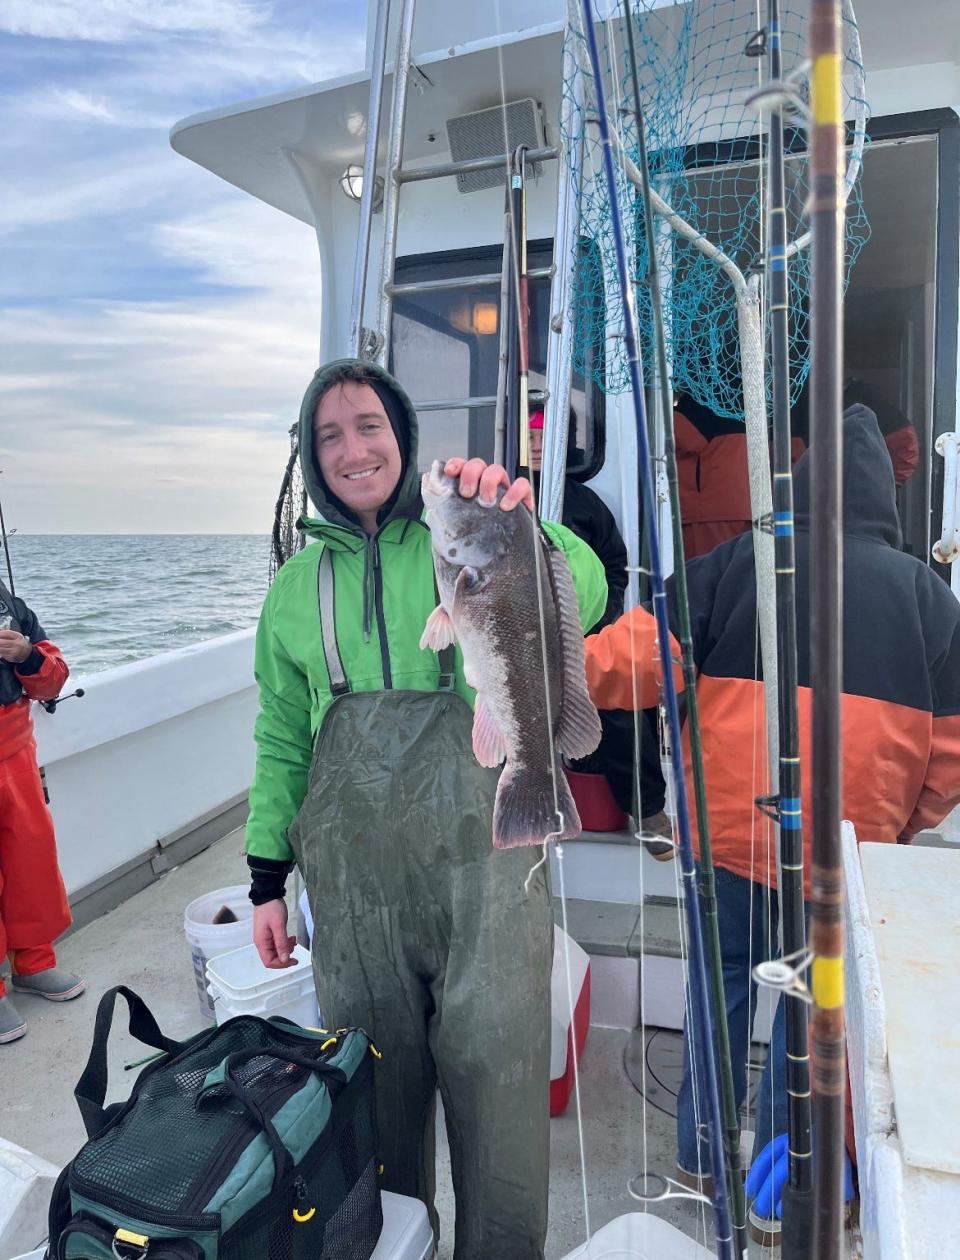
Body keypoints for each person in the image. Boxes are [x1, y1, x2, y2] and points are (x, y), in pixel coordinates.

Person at [245, 359, 606, 1259]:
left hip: (485, 868)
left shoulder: (465, 532)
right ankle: (389, 1243)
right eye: (328, 435)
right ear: (311, 457)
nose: (353, 449)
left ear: (401, 435)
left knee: (497, 1085)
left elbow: (588, 592)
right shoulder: (293, 591)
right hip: (354, 892)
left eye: (369, 425)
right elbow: (282, 739)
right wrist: (265, 881)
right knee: (372, 1095)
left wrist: (526, 527)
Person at [580, 406, 960, 1197]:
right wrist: (895, 830)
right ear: (882, 503)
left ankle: (701, 1162)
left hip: (725, 848)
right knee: (806, 1024)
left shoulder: (731, 565)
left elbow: (628, 664)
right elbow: (950, 758)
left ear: (800, 487)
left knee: (713, 1008)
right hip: (841, 865)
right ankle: (779, 1187)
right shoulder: (932, 601)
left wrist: (540, 661)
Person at [526, 410, 670, 839]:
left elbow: (615, 567)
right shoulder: (501, 501)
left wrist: (597, 622)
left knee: (626, 704)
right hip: (519, 638)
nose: (535, 446)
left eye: (542, 437)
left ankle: (647, 809)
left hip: (581, 634)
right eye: (528, 437)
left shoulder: (587, 504)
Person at [0, 582, 84, 1045]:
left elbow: (54, 679)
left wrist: (27, 654)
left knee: (31, 864)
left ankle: (34, 965)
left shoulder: (12, 607)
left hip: (16, 754)